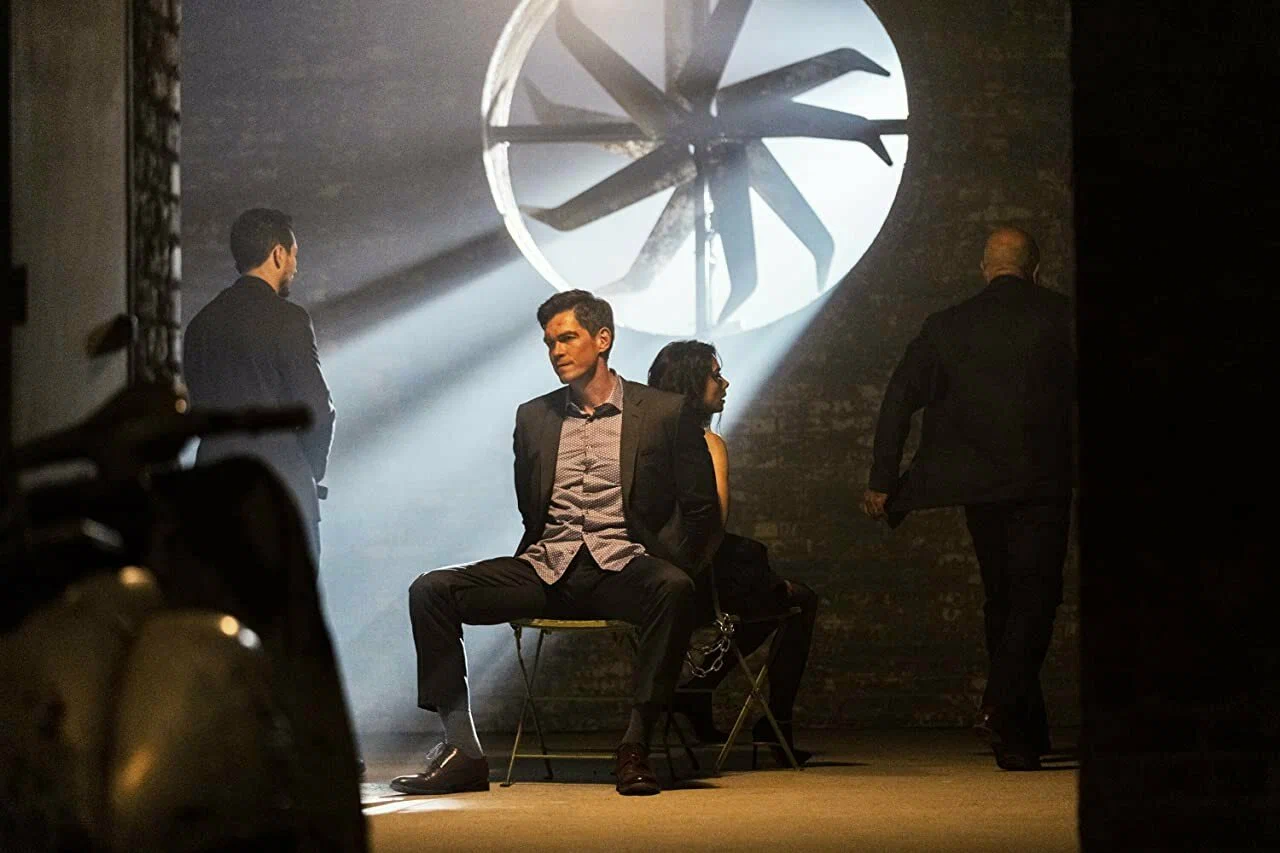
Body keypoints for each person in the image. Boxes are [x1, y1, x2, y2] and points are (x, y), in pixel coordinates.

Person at [391, 290, 721, 797]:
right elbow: (531, 505)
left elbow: (702, 511)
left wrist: (678, 567)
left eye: (567, 338)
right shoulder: (534, 416)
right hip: (548, 568)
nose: (556, 351)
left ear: (603, 339)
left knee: (673, 588)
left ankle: (635, 747)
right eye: (549, 343)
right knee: (431, 590)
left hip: (623, 569)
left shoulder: (662, 412)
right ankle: (463, 751)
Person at [862, 226, 1074, 771]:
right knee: (1035, 598)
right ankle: (1003, 708)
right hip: (1041, 482)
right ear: (1035, 268)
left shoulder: (947, 326)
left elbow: (898, 398)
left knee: (1003, 598)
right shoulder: (1062, 316)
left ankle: (1021, 737)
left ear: (985, 267)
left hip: (978, 486)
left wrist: (883, 477)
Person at [648, 341, 819, 766]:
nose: (724, 383)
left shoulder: (639, 442)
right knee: (799, 600)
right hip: (695, 582)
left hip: (647, 579)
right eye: (715, 375)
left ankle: (698, 692)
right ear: (691, 384)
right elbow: (714, 527)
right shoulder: (707, 443)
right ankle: (775, 723)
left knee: (765, 588)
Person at [184, 208, 335, 564]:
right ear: (278, 254)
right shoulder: (289, 320)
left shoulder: (200, 325)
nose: (295, 267)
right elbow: (317, 410)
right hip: (280, 492)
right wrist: (309, 469)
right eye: (294, 255)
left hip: (212, 492)